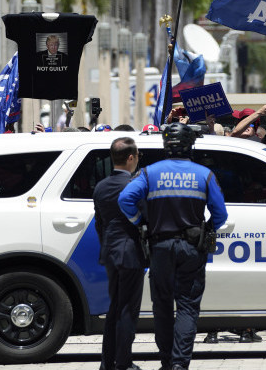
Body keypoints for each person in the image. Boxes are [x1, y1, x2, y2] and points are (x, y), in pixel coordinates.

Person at [118, 122, 227, 370]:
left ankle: (166, 361)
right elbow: (220, 214)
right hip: (192, 248)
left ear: (166, 145)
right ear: (190, 145)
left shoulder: (149, 172)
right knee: (188, 307)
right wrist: (209, 229)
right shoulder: (204, 174)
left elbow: (125, 199)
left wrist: (140, 222)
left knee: (163, 306)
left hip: (159, 247)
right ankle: (179, 364)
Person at [95, 137, 147, 370]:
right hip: (130, 252)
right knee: (127, 310)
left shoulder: (101, 186)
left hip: (110, 252)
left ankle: (107, 363)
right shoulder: (135, 185)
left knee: (115, 308)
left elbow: (100, 224)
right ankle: (123, 363)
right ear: (130, 157)